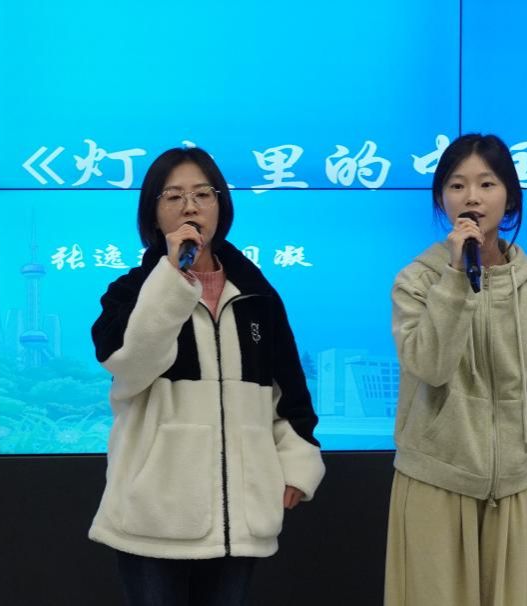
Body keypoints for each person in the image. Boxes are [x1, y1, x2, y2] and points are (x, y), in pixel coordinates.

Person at [89, 147, 326, 606]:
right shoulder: (129, 292)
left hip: (239, 518)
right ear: (154, 213)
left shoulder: (257, 294)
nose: (190, 207)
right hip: (153, 516)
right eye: (173, 196)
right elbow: (129, 366)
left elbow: (288, 392)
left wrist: (297, 462)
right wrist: (172, 281)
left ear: (221, 205)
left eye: (202, 194)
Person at [385, 133, 527, 605]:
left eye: (487, 184)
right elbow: (430, 366)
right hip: (434, 485)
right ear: (441, 200)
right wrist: (455, 278)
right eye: (457, 185)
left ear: (510, 197)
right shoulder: (416, 282)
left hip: (515, 492)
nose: (471, 197)